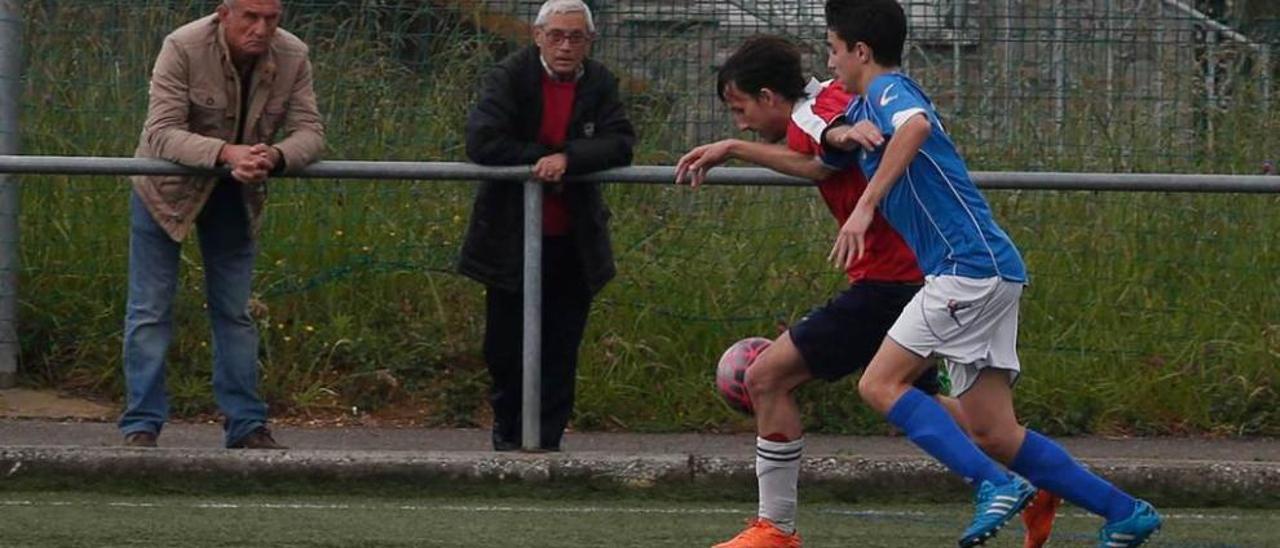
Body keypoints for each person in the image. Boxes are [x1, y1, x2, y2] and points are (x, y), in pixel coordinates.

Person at [676, 35, 1058, 548]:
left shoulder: (814, 115)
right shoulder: (829, 98)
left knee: (766, 377)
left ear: (769, 96)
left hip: (890, 281)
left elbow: (826, 141)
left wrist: (758, 146)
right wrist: (742, 148)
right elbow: (820, 161)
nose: (740, 122)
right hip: (918, 274)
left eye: (739, 109)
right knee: (931, 406)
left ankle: (776, 529)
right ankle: (1038, 483)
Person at [819, 1, 1161, 546]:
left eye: (834, 48)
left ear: (861, 51)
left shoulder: (890, 91)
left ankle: (992, 485)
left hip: (966, 269)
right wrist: (835, 136)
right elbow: (821, 137)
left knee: (880, 383)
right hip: (989, 269)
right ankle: (1125, 512)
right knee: (994, 431)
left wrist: (866, 205)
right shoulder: (866, 106)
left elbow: (913, 126)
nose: (830, 59)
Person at [121, 0, 324, 449]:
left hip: (238, 191)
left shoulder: (294, 54)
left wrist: (274, 156)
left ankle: (247, 425)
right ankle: (141, 425)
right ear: (224, 13)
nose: (261, 28)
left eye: (271, 18)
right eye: (250, 17)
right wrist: (226, 153)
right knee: (149, 309)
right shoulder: (182, 45)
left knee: (235, 311)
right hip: (165, 189)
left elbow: (310, 130)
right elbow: (160, 131)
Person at [460, 0, 635, 452]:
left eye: (575, 37)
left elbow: (620, 142)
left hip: (573, 241)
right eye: (556, 35)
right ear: (537, 36)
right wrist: (539, 159)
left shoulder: (600, 82)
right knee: (504, 346)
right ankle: (509, 435)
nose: (565, 46)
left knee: (560, 347)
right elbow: (483, 140)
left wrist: (569, 159)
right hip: (509, 238)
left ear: (589, 42)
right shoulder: (509, 76)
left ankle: (547, 443)